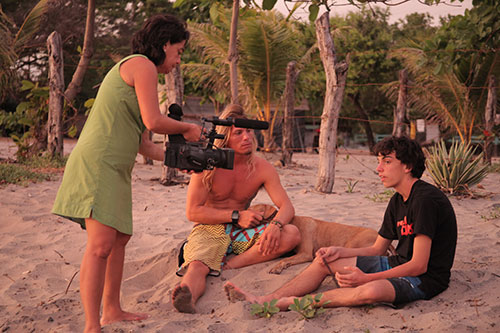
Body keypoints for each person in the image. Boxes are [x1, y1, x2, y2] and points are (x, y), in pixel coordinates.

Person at [51, 15, 201, 333]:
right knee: (101, 245)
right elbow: (154, 120)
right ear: (164, 45)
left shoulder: (144, 74)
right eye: (179, 50)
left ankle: (113, 310)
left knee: (119, 239)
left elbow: (145, 145)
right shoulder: (141, 65)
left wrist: (182, 160)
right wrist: (188, 128)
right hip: (98, 163)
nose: (178, 59)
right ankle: (93, 325)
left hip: (117, 169)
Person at [225, 136, 457, 311]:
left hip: (424, 279)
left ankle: (294, 303)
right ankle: (266, 300)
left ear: (407, 166)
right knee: (325, 260)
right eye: (379, 162)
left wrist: (365, 278)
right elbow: (377, 249)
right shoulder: (398, 200)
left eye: (387, 162)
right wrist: (340, 251)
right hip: (397, 263)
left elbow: (418, 266)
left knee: (370, 290)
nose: (379, 169)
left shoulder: (425, 200)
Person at [172, 104, 301, 313]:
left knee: (291, 234)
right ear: (225, 137)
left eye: (249, 131)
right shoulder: (208, 164)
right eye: (238, 133)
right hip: (210, 228)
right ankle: (187, 294)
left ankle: (228, 265)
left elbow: (287, 206)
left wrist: (275, 225)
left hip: (243, 232)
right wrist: (235, 215)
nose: (246, 137)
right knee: (198, 266)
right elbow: (193, 212)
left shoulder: (262, 168)